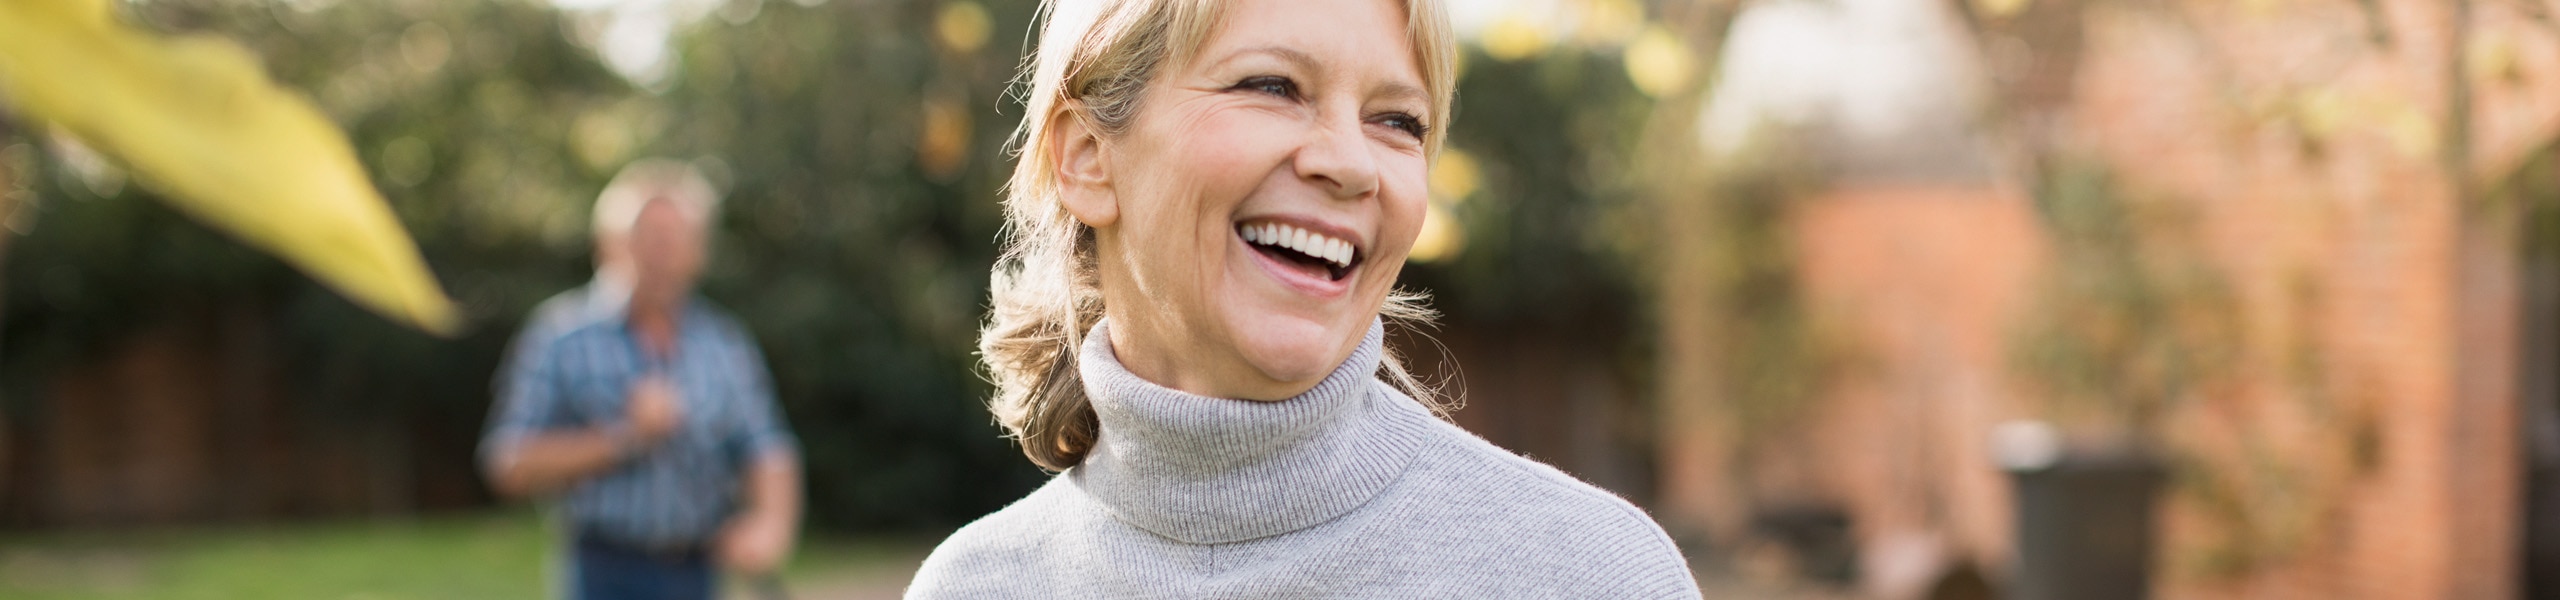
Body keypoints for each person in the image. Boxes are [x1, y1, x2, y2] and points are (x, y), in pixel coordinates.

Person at [905, 0, 1701, 597]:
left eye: (1397, 120)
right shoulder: (975, 587)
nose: (1351, 163)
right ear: (1086, 158)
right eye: (1274, 86)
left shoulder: (1592, 577)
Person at [481, 160, 802, 600]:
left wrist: (770, 524)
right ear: (608, 244)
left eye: (676, 239)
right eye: (647, 237)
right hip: (602, 572)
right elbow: (508, 462)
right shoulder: (559, 334)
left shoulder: (724, 344)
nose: (662, 252)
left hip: (696, 572)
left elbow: (768, 447)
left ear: (700, 250)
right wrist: (624, 436)